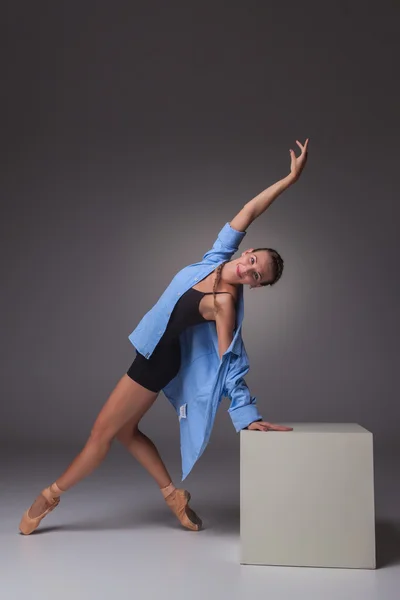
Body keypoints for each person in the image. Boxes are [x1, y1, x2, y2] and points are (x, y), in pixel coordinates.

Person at [19, 139, 309, 535]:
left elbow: (229, 358)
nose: (250, 270)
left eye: (258, 276)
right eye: (253, 262)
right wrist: (289, 180)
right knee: (126, 432)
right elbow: (249, 210)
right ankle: (175, 496)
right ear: (248, 252)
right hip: (152, 352)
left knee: (100, 435)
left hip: (156, 363)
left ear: (256, 286)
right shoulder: (218, 258)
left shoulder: (224, 302)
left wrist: (246, 413)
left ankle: (49, 497)